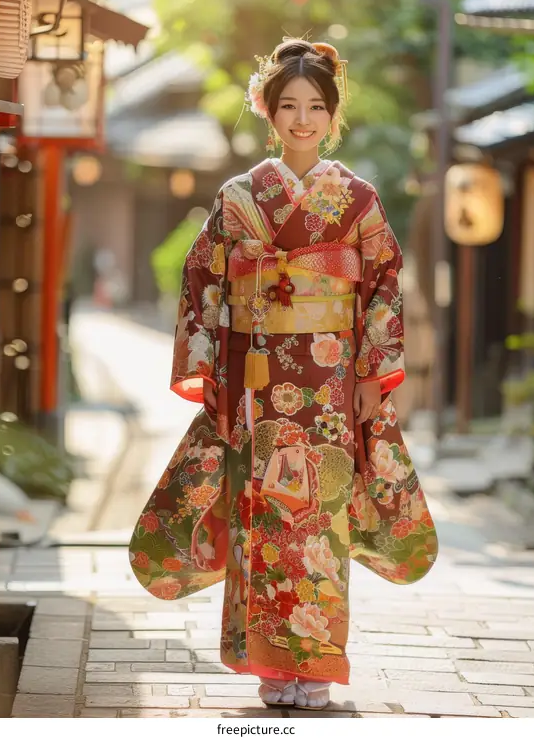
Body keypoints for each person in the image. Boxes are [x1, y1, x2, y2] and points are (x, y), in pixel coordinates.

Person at [129, 38, 438, 710]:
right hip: (255, 379)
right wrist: (209, 367)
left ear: (333, 115)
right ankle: (271, 665)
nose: (303, 119)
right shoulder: (240, 196)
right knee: (261, 513)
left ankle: (318, 662)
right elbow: (204, 280)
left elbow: (383, 283)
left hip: (328, 382)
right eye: (289, 105)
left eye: (316, 106)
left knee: (320, 515)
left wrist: (367, 374)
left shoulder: (356, 199)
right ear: (266, 110)